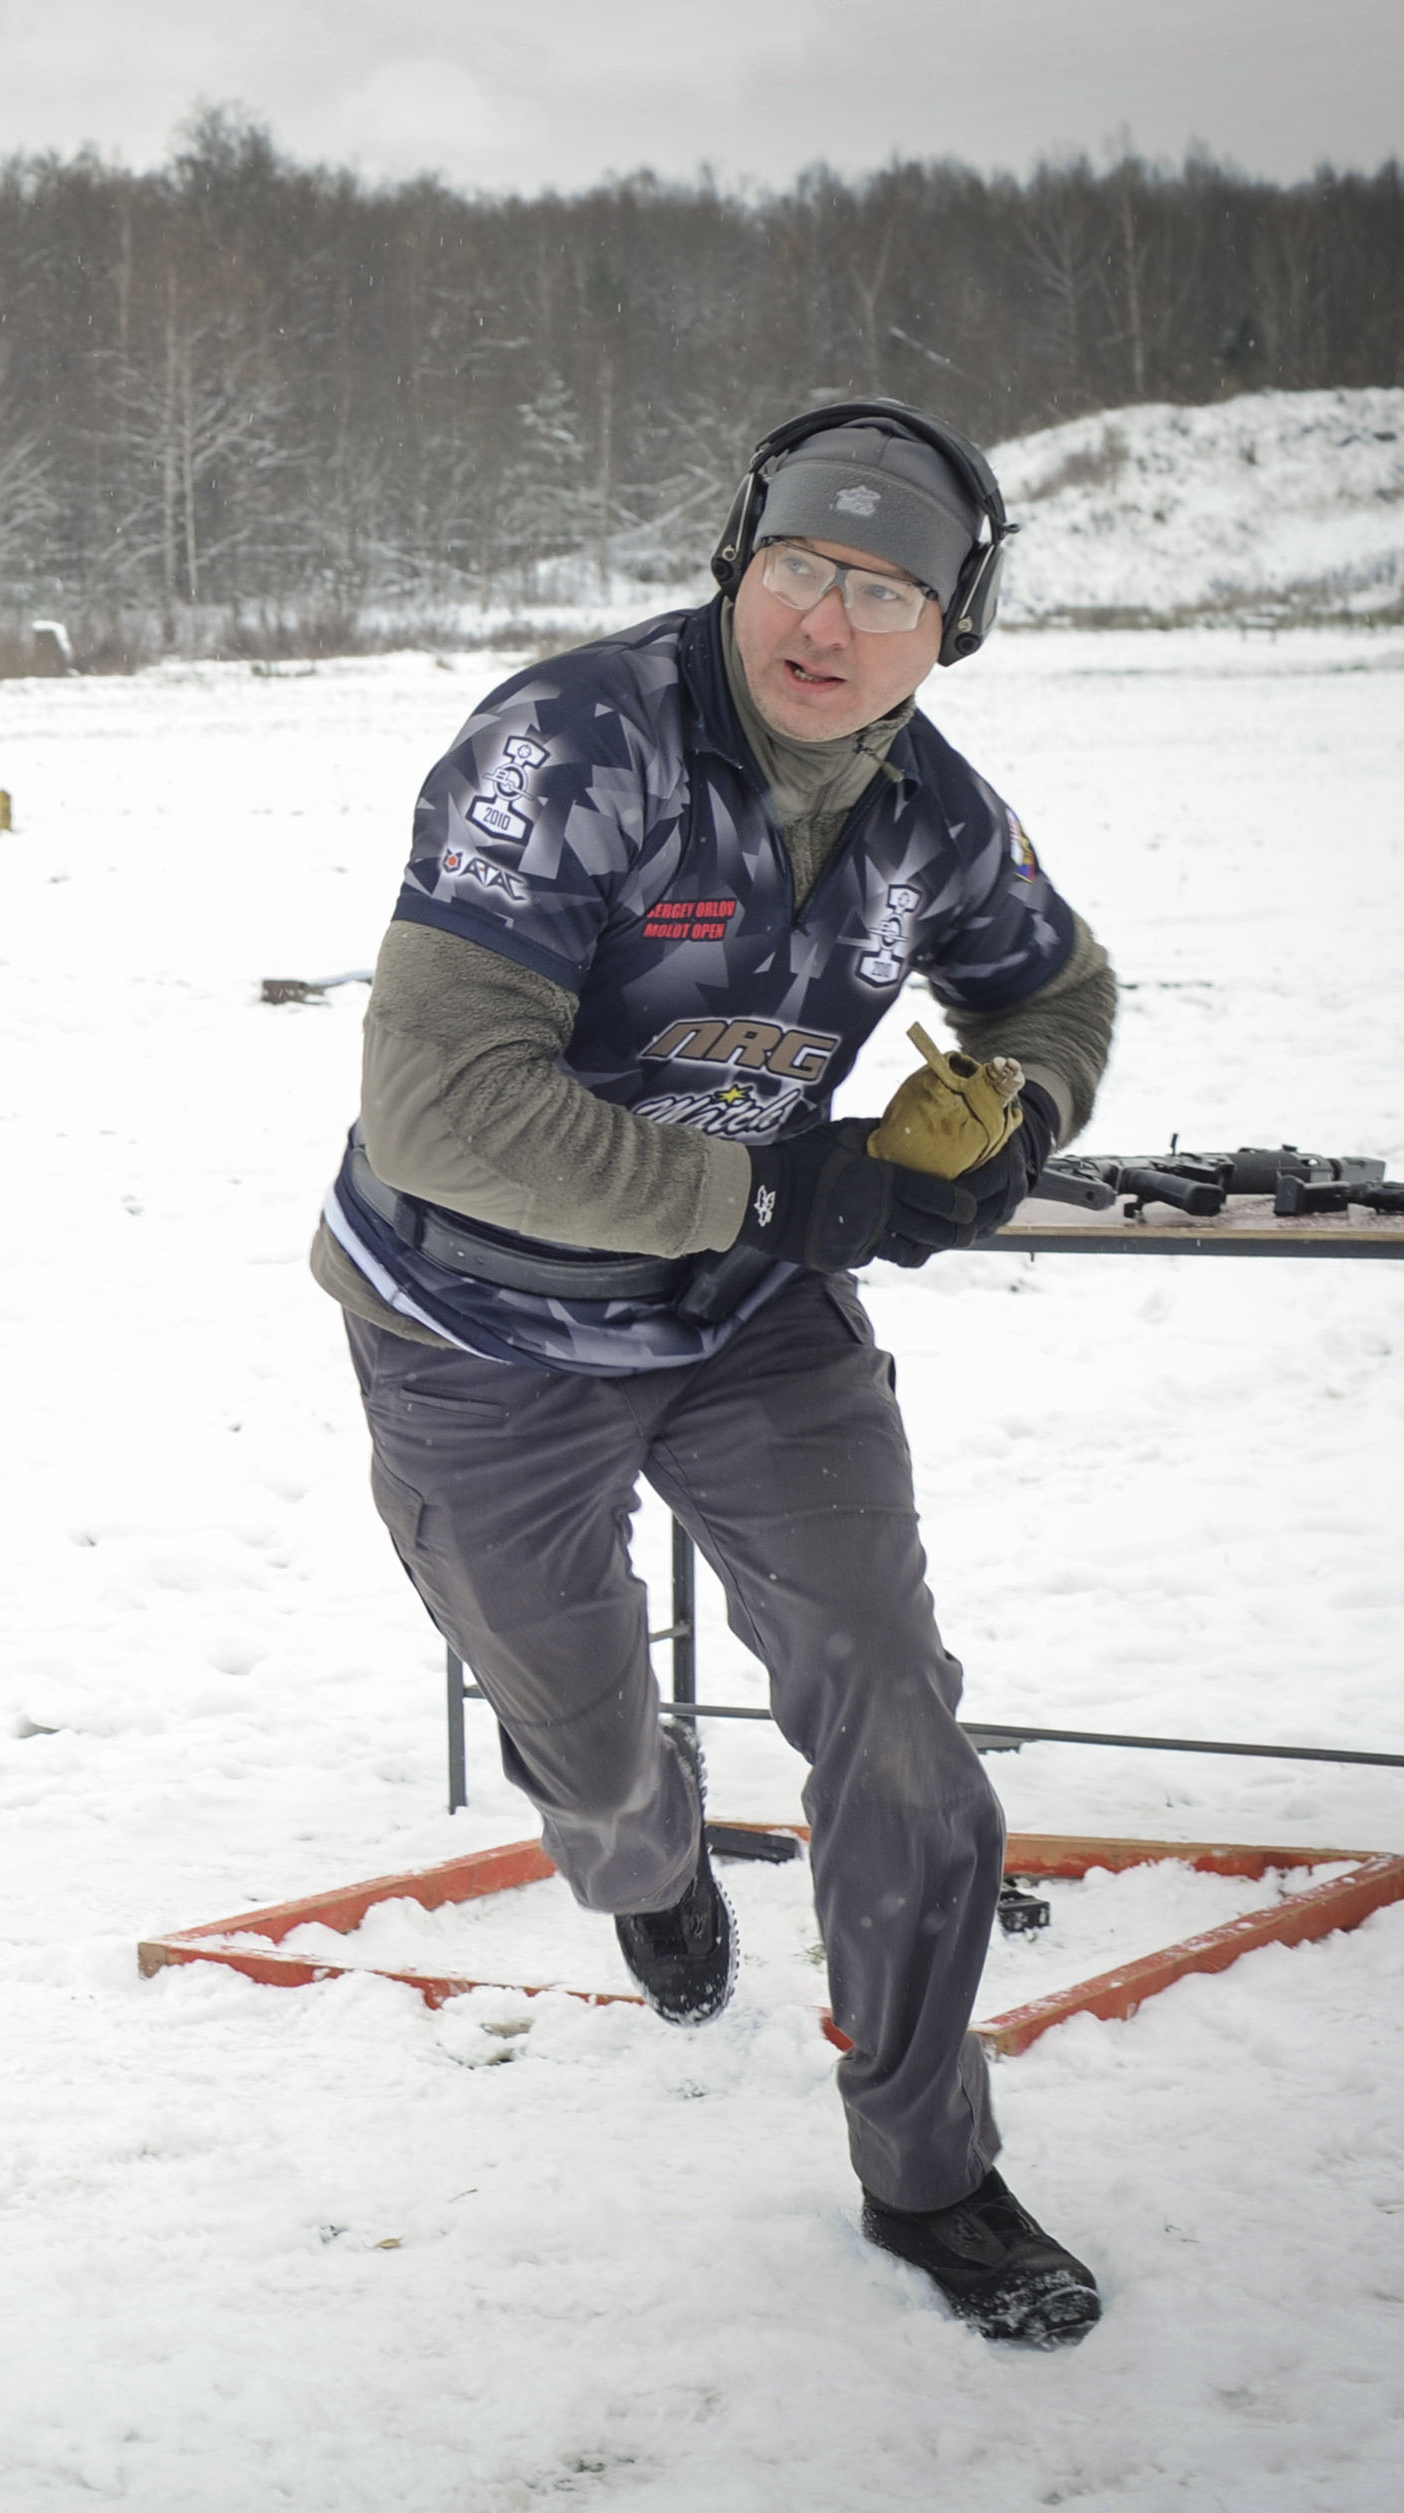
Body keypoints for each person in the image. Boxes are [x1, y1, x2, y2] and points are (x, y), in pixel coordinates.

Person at [309, 400, 1120, 2347]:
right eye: (795, 569)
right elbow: (436, 1111)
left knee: (889, 1704)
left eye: (882, 592)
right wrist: (770, 1187)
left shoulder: (930, 815)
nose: (824, 622)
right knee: (591, 1748)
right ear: (735, 564)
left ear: (949, 629)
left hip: (751, 1323)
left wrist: (1010, 1116)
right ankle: (638, 1844)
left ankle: (928, 2172)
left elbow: (1055, 989)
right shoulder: (569, 748)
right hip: (478, 1325)